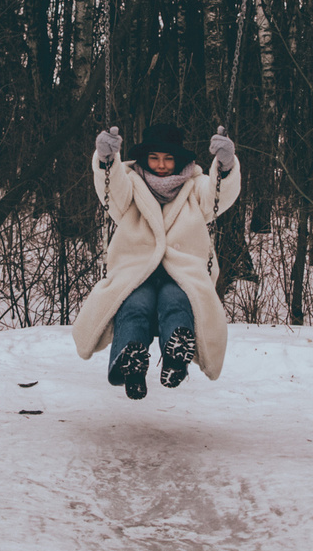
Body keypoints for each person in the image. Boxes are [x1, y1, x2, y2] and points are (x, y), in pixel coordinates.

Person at [72, 122, 242, 398]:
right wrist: (106, 161)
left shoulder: (195, 186)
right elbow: (113, 193)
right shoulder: (131, 184)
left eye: (168, 159)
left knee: (176, 301)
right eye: (154, 158)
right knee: (136, 304)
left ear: (178, 161)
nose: (161, 165)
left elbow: (218, 197)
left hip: (181, 272)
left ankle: (177, 353)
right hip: (138, 270)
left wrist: (226, 165)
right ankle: (131, 361)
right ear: (144, 159)